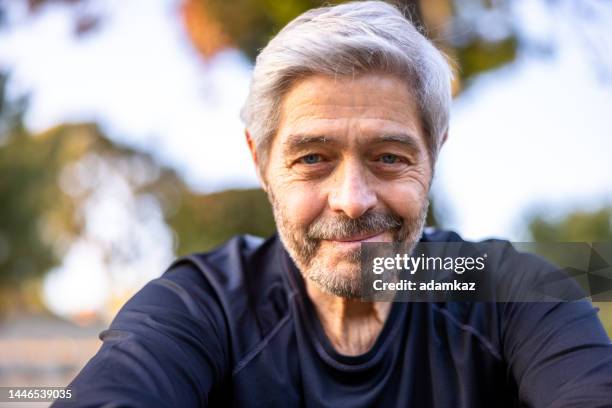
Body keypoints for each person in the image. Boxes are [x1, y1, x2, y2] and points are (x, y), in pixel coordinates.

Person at [53, 1, 612, 407]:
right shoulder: (203, 305)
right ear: (260, 162)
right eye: (313, 158)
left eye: (389, 157)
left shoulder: (511, 289)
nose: (351, 200)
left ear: (433, 156)